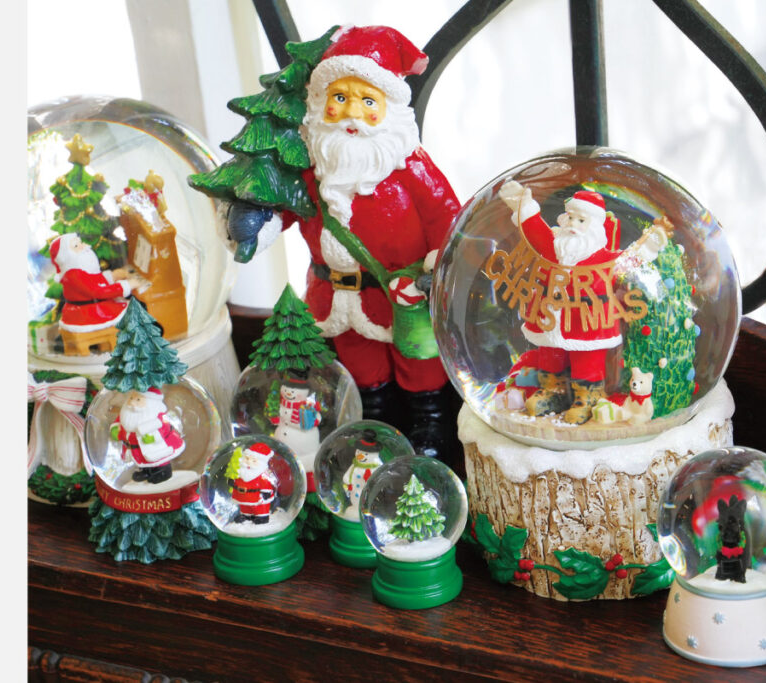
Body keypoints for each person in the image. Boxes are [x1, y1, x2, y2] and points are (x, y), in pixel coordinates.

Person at [229, 26, 461, 454]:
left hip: (400, 296)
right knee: (362, 368)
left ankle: (430, 426)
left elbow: (447, 217)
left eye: (367, 101)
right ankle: (375, 429)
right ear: (322, 103)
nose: (351, 112)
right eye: (340, 97)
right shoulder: (312, 168)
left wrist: (436, 270)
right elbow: (285, 210)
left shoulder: (411, 168)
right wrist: (253, 221)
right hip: (336, 297)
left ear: (388, 107)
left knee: (419, 363)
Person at [497, 181, 633, 424]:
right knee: (550, 353)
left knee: (587, 359)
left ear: (594, 227)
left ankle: (587, 397)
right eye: (570, 218)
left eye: (581, 221)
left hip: (588, 321)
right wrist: (522, 206)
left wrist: (649, 248)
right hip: (551, 315)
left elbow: (627, 262)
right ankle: (553, 390)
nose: (572, 225)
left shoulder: (602, 257)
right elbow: (535, 231)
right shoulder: (554, 247)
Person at [49, 233, 142, 336]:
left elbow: (92, 280)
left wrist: (112, 276)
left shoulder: (76, 270)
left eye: (80, 242)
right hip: (87, 314)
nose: (83, 246)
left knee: (130, 305)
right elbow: (98, 292)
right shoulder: (73, 275)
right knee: (131, 311)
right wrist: (127, 285)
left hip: (92, 308)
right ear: (67, 256)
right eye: (76, 246)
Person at [109, 388, 185, 484]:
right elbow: (121, 422)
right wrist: (115, 429)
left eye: (138, 400)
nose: (132, 403)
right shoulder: (126, 414)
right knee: (143, 460)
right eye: (131, 398)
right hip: (136, 448)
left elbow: (165, 428)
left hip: (158, 446)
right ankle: (146, 472)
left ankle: (162, 472)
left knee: (159, 460)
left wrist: (154, 438)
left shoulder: (158, 415)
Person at [272, 374, 322, 491]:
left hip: (305, 449)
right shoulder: (281, 405)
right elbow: (278, 418)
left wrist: (310, 421)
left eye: (293, 391)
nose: (289, 393)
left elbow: (316, 419)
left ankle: (310, 489)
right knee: (286, 474)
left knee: (307, 471)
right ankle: (285, 489)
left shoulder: (307, 408)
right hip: (283, 449)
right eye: (286, 390)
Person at [230, 442, 278, 525]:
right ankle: (246, 515)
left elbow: (266, 483)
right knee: (245, 506)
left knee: (259, 507)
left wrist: (266, 491)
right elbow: (236, 478)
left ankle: (262, 517)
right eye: (247, 458)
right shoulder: (241, 471)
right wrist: (232, 481)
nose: (249, 462)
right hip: (242, 496)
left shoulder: (262, 474)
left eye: (254, 460)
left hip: (257, 496)